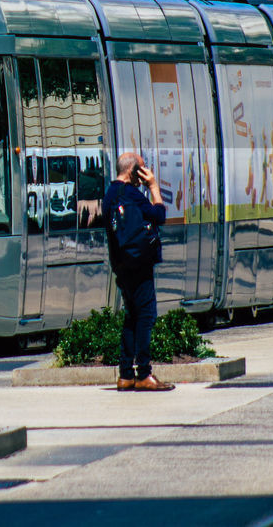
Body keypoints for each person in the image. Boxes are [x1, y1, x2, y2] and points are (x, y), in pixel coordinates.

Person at [102, 152, 173, 392]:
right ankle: (144, 373)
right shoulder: (132, 194)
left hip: (121, 264)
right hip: (140, 264)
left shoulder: (109, 194)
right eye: (142, 169)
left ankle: (125, 375)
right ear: (133, 171)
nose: (145, 173)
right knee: (146, 316)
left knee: (131, 317)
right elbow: (159, 215)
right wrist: (153, 186)